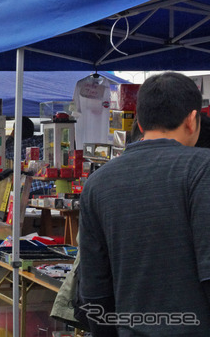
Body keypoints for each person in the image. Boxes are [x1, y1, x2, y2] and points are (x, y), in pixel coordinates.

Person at [80, 72, 210, 336]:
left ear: (139, 124)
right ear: (192, 120)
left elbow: (93, 291)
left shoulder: (97, 183)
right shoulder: (202, 168)